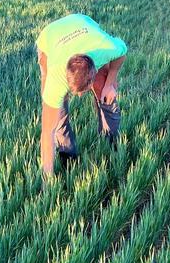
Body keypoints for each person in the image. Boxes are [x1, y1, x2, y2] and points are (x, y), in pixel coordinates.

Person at [35, 13, 128, 177]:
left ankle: (111, 142)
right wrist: (46, 178)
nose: (78, 97)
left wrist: (109, 84)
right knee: (57, 111)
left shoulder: (106, 49)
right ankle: (67, 155)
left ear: (94, 71)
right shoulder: (56, 77)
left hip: (82, 24)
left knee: (107, 94)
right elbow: (46, 132)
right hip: (50, 36)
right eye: (75, 91)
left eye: (83, 91)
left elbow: (122, 52)